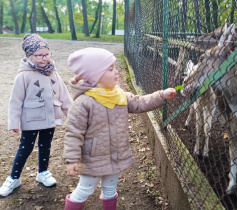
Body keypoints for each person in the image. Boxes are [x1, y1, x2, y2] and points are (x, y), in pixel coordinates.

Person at [63, 47, 176, 210]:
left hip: (115, 155)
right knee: (85, 189)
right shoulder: (83, 103)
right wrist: (72, 159)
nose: (115, 72)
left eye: (115, 67)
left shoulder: (118, 95)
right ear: (95, 75)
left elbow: (140, 102)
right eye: (110, 69)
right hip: (92, 158)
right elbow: (73, 133)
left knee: (110, 189)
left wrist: (161, 95)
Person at [0, 34, 72, 197]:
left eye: (47, 54)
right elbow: (15, 101)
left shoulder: (53, 73)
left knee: (45, 146)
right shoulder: (23, 76)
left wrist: (72, 116)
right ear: (30, 56)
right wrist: (13, 123)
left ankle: (43, 172)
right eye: (40, 55)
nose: (44, 58)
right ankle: (14, 178)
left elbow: (64, 95)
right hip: (31, 119)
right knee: (25, 148)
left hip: (50, 119)